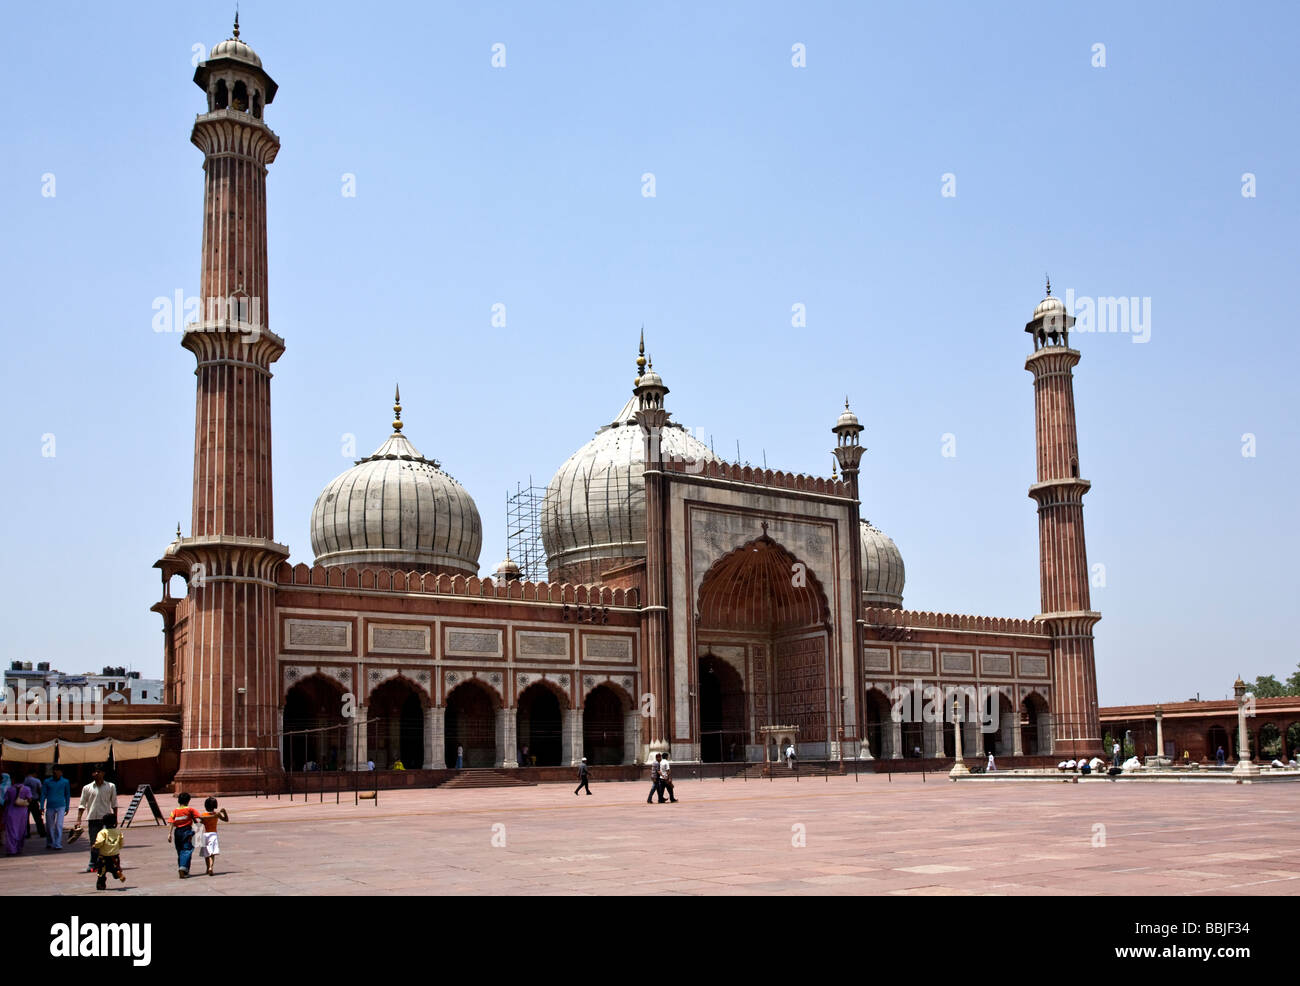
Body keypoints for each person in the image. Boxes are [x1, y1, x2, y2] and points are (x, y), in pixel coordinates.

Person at [75, 766, 118, 873]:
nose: (96, 774)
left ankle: (107, 863)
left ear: (103, 773)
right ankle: (93, 863)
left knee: (106, 843)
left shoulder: (110, 786)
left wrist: (115, 818)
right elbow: (82, 805)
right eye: (94, 772)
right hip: (93, 818)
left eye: (99, 772)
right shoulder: (87, 788)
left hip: (106, 819)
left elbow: (114, 803)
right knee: (94, 843)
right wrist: (78, 820)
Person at [168, 791, 203, 879]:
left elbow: (171, 822)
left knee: (180, 851)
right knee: (187, 850)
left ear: (178, 801)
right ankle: (182, 868)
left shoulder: (174, 811)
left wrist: (169, 834)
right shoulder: (190, 810)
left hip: (177, 832)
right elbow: (199, 818)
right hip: (187, 831)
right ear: (188, 801)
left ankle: (184, 870)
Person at [91, 813, 126, 890]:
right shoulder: (118, 832)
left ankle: (101, 885)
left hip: (104, 856)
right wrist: (116, 848)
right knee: (114, 867)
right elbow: (121, 844)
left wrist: (95, 846)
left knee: (101, 872)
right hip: (115, 856)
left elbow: (99, 842)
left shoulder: (103, 832)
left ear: (104, 823)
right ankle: (117, 872)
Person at [198, 796, 229, 876]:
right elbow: (226, 819)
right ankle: (211, 867)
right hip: (213, 834)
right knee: (212, 853)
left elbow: (199, 823)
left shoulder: (203, 815)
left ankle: (207, 868)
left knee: (206, 853)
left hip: (205, 834)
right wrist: (224, 812)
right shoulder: (217, 814)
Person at [42, 765, 71, 850]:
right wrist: (41, 806)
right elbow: (43, 794)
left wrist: (67, 806)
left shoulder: (65, 782)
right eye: (54, 771)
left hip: (61, 806)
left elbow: (67, 794)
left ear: (61, 772)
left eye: (58, 771)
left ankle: (57, 843)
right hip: (50, 806)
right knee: (49, 826)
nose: (56, 772)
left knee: (59, 825)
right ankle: (50, 842)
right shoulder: (47, 781)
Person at [3, 774, 33, 855]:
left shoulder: (10, 789)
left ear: (14, 780)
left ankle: (11, 849)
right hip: (22, 813)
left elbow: (6, 801)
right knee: (21, 830)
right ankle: (19, 848)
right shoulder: (27, 789)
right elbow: (30, 800)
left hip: (11, 812)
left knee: (11, 831)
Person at [23, 770, 45, 840]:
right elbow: (40, 791)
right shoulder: (36, 781)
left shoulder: (24, 781)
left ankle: (27, 833)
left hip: (24, 801)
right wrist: (41, 801)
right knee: (38, 817)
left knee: (26, 818)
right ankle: (42, 832)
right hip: (34, 800)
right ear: (34, 773)